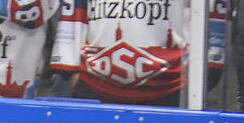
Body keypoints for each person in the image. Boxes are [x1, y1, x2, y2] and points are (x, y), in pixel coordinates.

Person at [50, 0, 230, 106]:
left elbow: (215, 11)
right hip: (95, 87)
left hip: (172, 89)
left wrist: (209, 70)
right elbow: (74, 9)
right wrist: (68, 70)